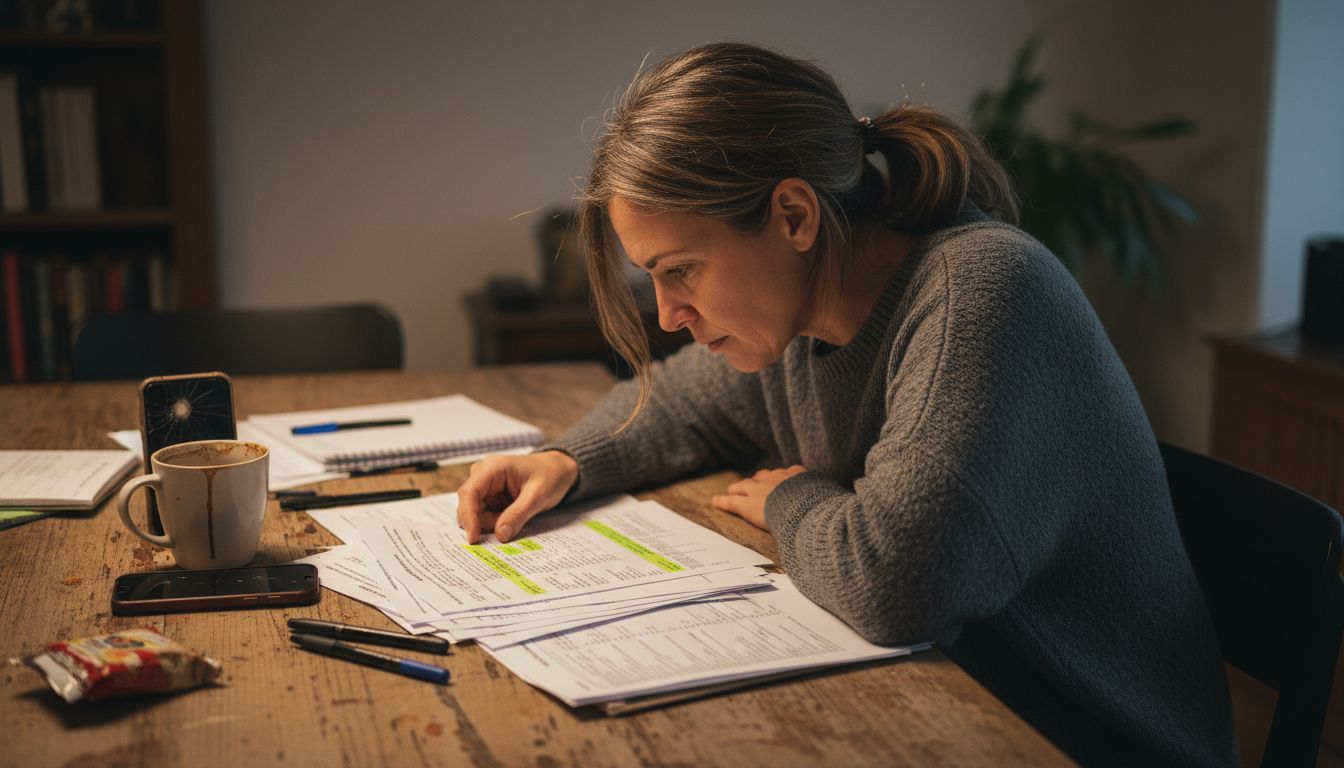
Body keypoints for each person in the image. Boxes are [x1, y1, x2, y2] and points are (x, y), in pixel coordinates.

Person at [455, 42, 1237, 766]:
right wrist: (564, 461)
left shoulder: (983, 290)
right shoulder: (800, 320)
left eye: (682, 269)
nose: (667, 316)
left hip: (1085, 739)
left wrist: (792, 498)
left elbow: (898, 585)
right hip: (947, 708)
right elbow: (683, 403)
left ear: (793, 216)